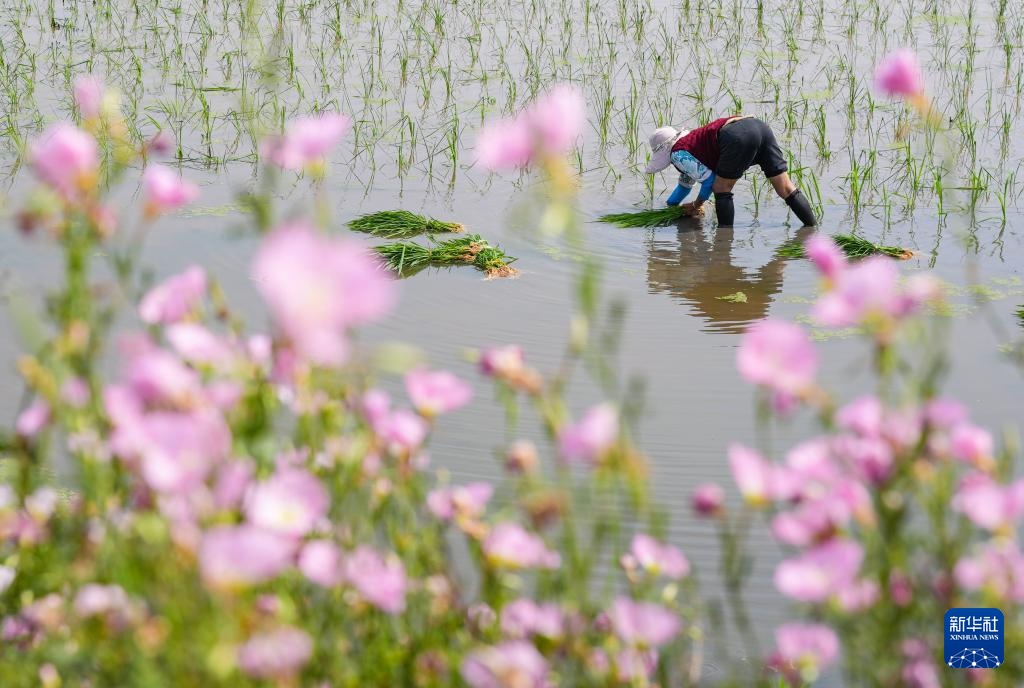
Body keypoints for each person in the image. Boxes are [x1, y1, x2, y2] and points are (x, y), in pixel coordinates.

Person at [645, 116, 817, 227]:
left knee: (721, 188)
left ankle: (724, 245)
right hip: (759, 126)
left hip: (737, 136)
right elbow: (684, 187)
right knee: (786, 188)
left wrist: (696, 205)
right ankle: (813, 230)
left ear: (665, 151)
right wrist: (671, 207)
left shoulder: (678, 153)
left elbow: (710, 182)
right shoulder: (691, 145)